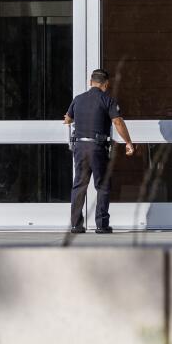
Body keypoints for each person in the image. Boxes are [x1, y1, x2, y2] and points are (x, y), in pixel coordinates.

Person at [64, 69, 135, 233]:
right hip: (97, 148)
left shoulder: (78, 99)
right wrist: (128, 142)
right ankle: (102, 225)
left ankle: (76, 225)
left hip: (80, 147)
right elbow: (117, 122)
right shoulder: (107, 100)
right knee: (102, 186)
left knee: (79, 185)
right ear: (106, 84)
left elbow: (68, 119)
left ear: (90, 82)